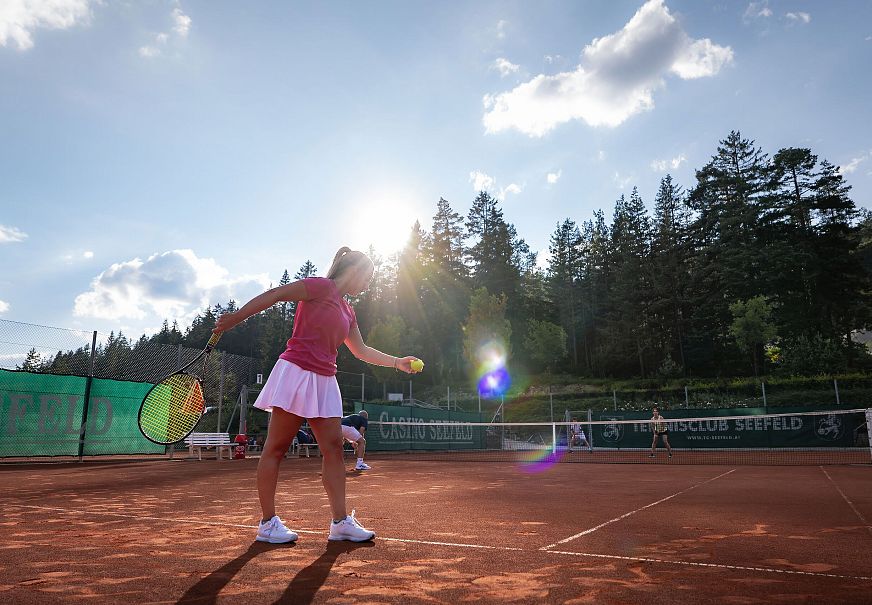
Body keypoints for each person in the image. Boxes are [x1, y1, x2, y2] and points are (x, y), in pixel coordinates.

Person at [214, 247, 421, 544]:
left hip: (325, 379)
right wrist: (236, 317)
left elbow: (361, 350)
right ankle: (267, 523)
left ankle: (340, 523)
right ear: (355, 271)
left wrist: (396, 361)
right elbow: (275, 294)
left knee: (334, 448)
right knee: (276, 447)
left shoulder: (349, 310)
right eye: (368, 277)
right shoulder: (319, 287)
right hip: (296, 371)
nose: (368, 284)